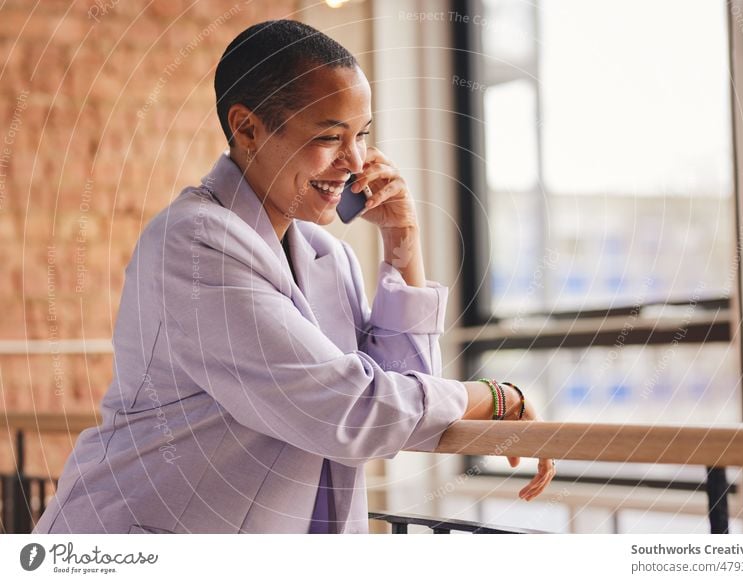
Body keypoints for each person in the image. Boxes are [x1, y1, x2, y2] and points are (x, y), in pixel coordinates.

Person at [34, 19, 554, 534]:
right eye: (330, 137)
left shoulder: (328, 255)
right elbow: (350, 412)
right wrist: (498, 396)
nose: (354, 162)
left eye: (362, 136)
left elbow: (404, 396)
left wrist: (403, 246)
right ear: (247, 128)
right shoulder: (193, 244)